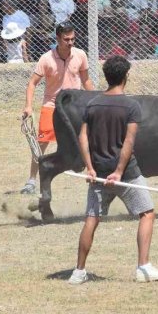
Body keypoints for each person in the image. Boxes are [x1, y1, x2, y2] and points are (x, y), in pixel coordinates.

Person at [69, 55, 158, 285]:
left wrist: (91, 167)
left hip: (99, 172)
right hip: (126, 173)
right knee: (147, 213)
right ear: (125, 77)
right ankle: (143, 268)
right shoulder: (131, 106)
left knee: (91, 218)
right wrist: (118, 171)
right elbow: (128, 142)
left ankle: (78, 271)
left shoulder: (92, 104)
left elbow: (83, 136)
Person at [21, 22, 95, 194]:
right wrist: (28, 107)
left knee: (90, 139)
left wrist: (97, 100)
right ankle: (32, 181)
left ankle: (94, 174)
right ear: (57, 39)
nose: (70, 43)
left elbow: (86, 81)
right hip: (52, 105)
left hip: (75, 107)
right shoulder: (46, 59)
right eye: (66, 39)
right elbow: (32, 83)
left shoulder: (80, 55)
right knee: (41, 145)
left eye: (73, 39)